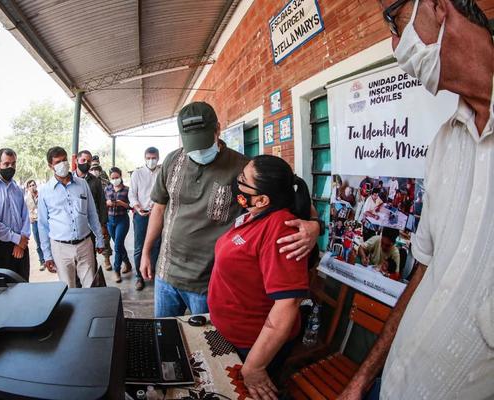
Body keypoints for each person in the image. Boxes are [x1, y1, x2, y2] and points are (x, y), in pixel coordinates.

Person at [340, 1, 494, 399]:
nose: (395, 44)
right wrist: (362, 379)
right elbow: (423, 270)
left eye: (394, 20)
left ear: (439, 7)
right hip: (394, 385)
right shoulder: (446, 141)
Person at [140, 101, 321, 317]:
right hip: (166, 273)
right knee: (165, 337)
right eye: (192, 145)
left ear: (217, 129)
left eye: (203, 143)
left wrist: (315, 225)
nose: (198, 151)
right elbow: (159, 209)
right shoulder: (171, 161)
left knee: (207, 345)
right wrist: (146, 252)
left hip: (207, 282)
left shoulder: (242, 169)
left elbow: (291, 199)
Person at [208, 155, 311, 400]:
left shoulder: (281, 230)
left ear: (263, 198)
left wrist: (255, 366)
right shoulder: (256, 213)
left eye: (243, 180)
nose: (237, 182)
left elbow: (287, 304)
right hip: (230, 333)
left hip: (252, 346)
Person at [38, 147, 104, 288]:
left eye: (64, 160)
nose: (63, 164)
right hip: (60, 247)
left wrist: (100, 239)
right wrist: (47, 255)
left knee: (91, 286)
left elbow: (92, 213)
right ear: (51, 166)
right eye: (58, 162)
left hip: (85, 244)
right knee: (68, 289)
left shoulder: (82, 184)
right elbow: (43, 225)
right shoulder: (45, 191)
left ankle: (90, 311)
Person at [0, 148, 31, 281]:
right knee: (7, 290)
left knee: (24, 284)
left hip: (22, 244)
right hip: (2, 246)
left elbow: (25, 216)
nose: (11, 167)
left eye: (13, 164)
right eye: (6, 164)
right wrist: (16, 239)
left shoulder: (18, 188)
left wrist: (22, 241)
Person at [128, 146, 162, 290]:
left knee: (156, 245)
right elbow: (132, 194)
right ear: (144, 158)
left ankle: (151, 271)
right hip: (141, 215)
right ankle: (139, 276)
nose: (151, 161)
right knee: (139, 247)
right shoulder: (137, 173)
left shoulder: (162, 172)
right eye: (148, 158)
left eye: (153, 158)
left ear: (158, 158)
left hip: (158, 214)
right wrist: (137, 207)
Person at [74, 150, 109, 273]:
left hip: (91, 227)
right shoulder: (69, 180)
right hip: (74, 227)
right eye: (83, 160)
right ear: (76, 161)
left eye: (88, 161)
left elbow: (101, 203)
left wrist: (103, 225)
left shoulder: (95, 181)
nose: (86, 163)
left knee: (90, 260)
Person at [105, 167, 131, 283]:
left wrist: (121, 203)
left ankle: (117, 270)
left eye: (117, 177)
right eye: (113, 178)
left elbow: (130, 206)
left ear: (120, 176)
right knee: (118, 245)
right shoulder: (107, 189)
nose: (115, 180)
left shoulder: (127, 190)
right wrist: (107, 203)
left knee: (117, 246)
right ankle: (128, 263)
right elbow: (103, 203)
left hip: (122, 220)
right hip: (110, 220)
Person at [25, 180, 45, 270]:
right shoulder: (26, 198)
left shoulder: (41, 195)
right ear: (28, 188)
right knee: (38, 242)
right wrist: (29, 217)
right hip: (34, 222)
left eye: (33, 185)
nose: (32, 187)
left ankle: (50, 259)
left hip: (43, 221)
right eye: (30, 186)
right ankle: (42, 261)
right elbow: (25, 211)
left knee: (46, 239)